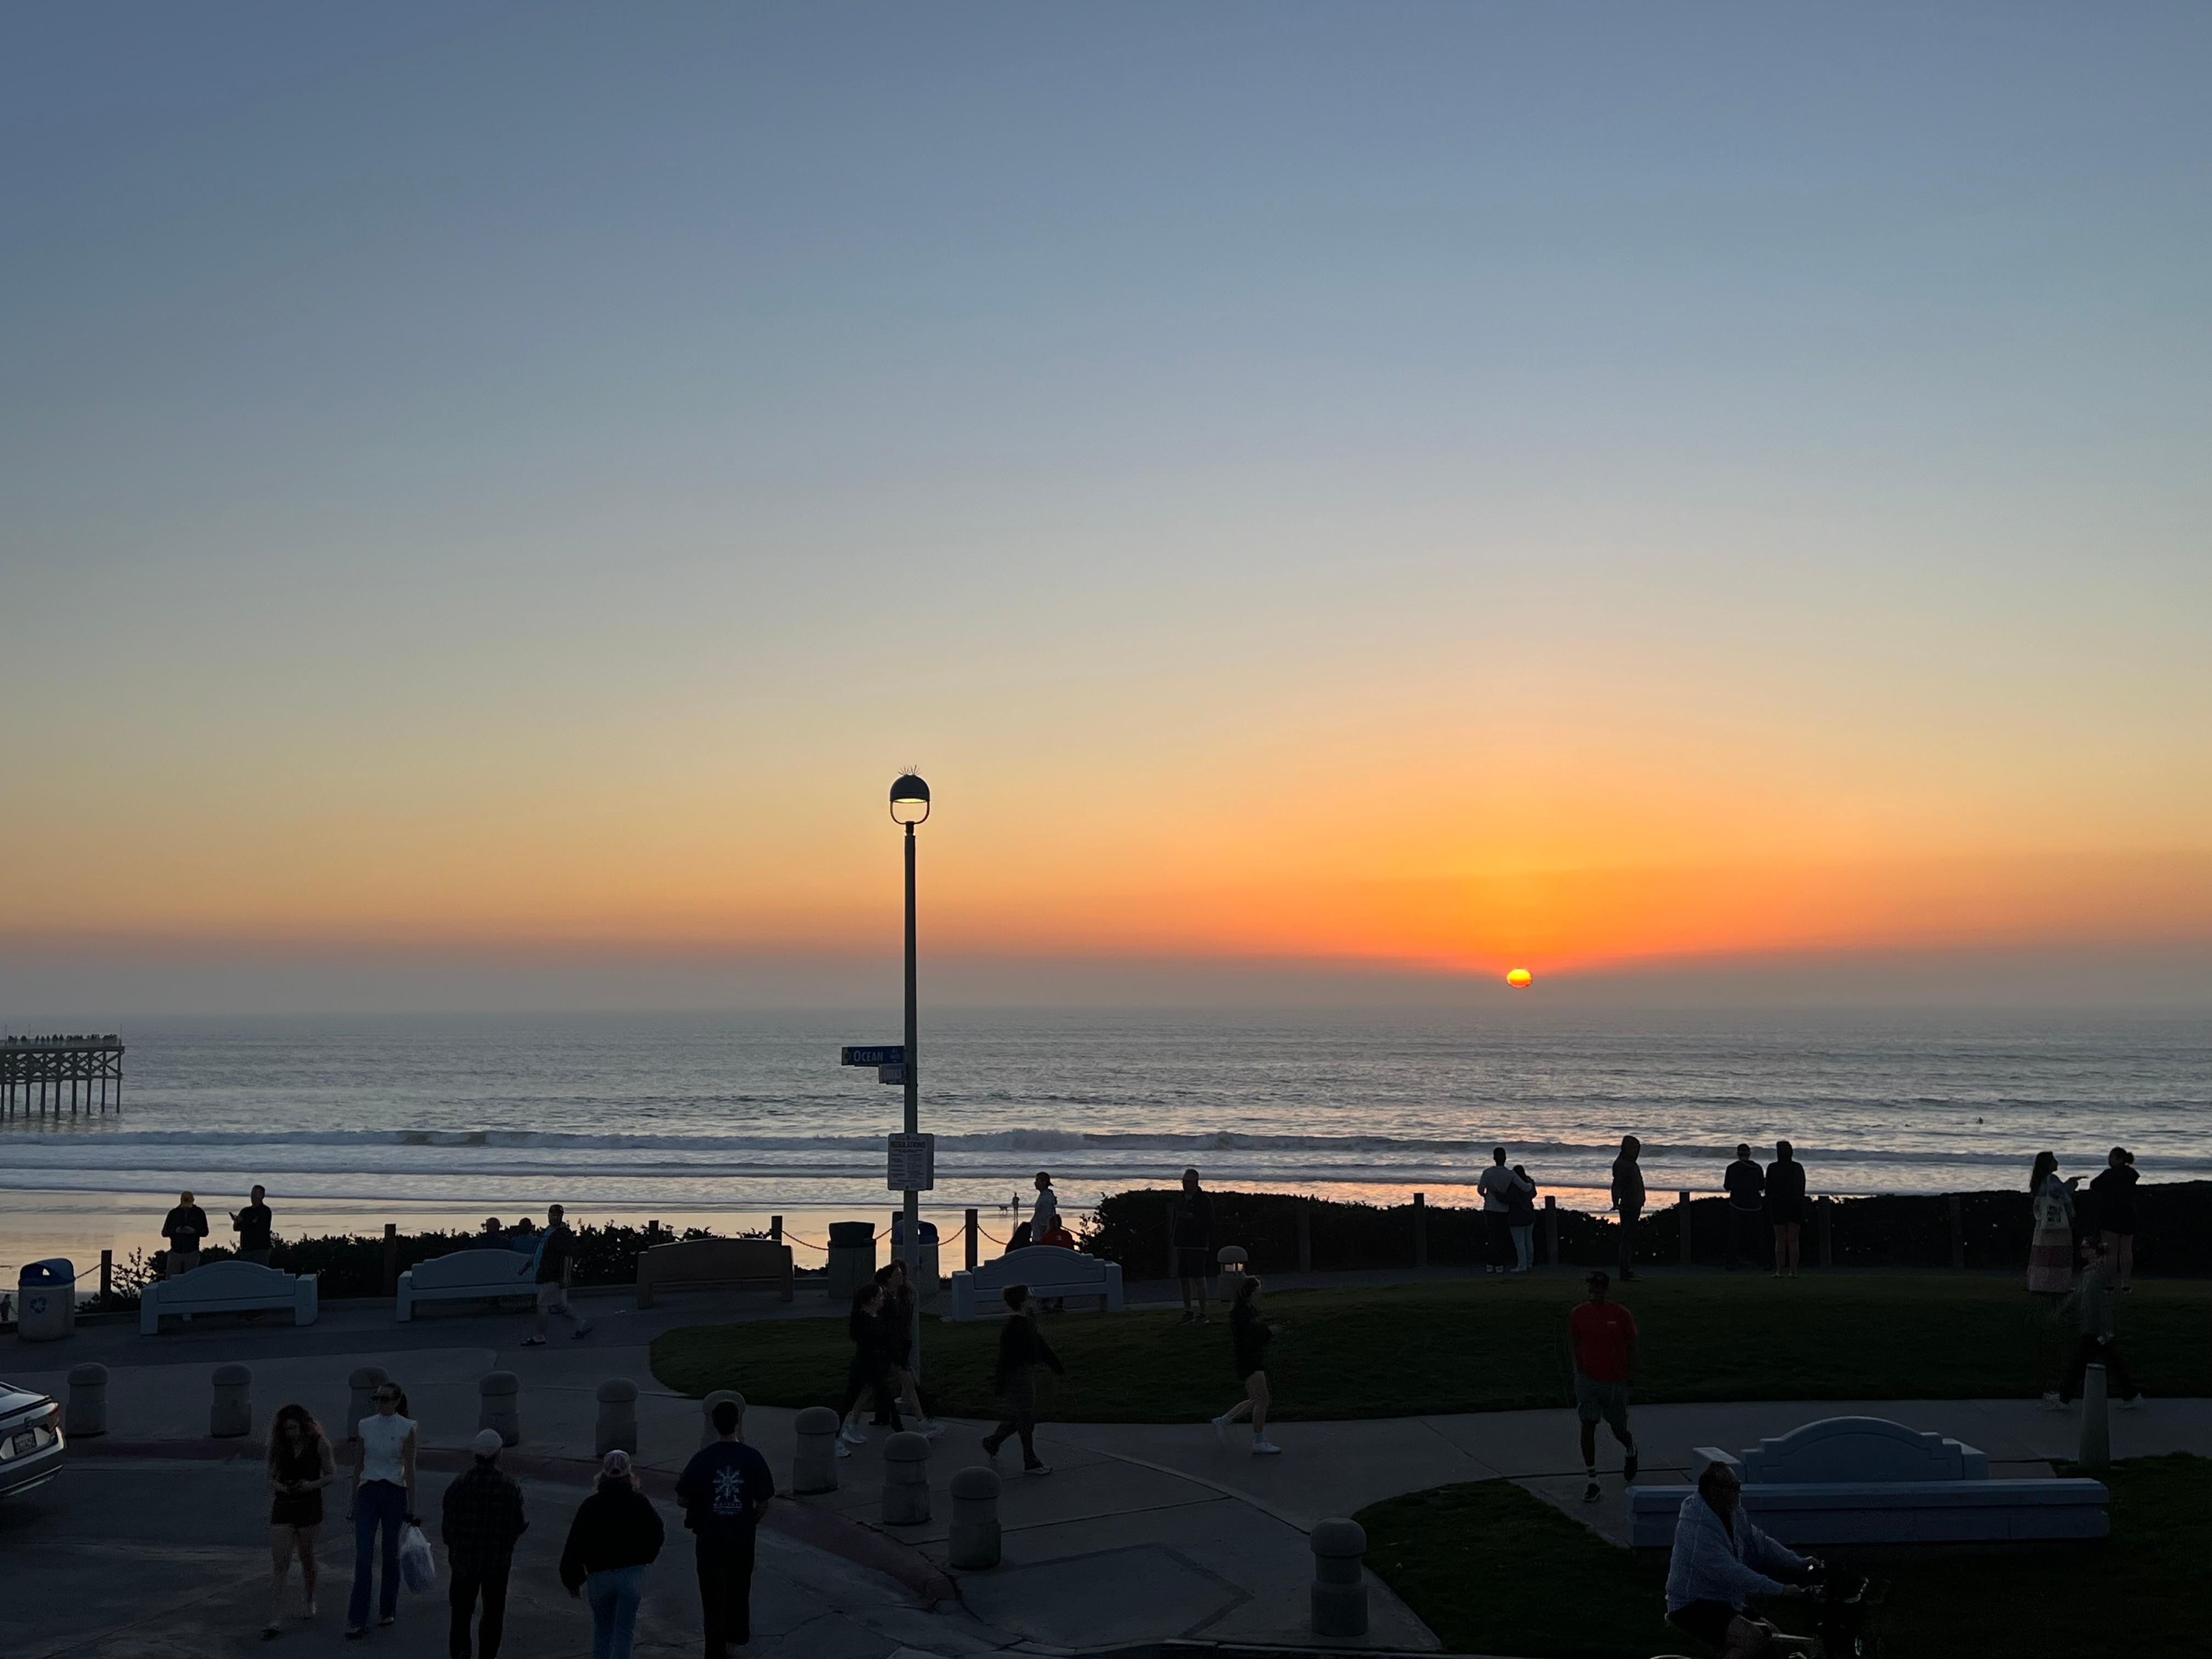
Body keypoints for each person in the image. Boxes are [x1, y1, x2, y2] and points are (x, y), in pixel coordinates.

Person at [1664, 1460, 1822, 1658]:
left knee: (1774, 1636)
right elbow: (1733, 1572)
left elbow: (1761, 1543)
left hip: (1723, 1600)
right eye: (1735, 1487)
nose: (1739, 1492)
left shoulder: (1732, 1513)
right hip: (1691, 1604)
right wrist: (1781, 1590)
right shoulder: (1697, 1530)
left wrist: (1799, 1562)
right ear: (1715, 1491)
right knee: (1750, 1639)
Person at [675, 1398, 775, 1658]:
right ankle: (736, 1637)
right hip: (742, 1536)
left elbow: (682, 1496)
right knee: (739, 1588)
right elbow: (764, 1500)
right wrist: (751, 1520)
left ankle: (715, 1650)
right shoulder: (752, 1457)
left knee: (712, 1596)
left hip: (710, 1537)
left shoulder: (702, 1459)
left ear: (714, 1423)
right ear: (737, 1422)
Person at [559, 1450, 665, 1659]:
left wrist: (573, 1579)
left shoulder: (590, 1506)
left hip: (599, 1575)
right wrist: (645, 1558)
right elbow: (657, 1534)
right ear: (629, 1474)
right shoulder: (640, 1503)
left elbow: (575, 1544)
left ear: (604, 1474)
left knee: (603, 1631)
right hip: (630, 1574)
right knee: (624, 1632)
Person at [442, 1429, 528, 1659]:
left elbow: (448, 1527)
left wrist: (455, 1548)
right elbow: (517, 1525)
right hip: (496, 1563)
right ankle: (487, 1655)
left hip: (464, 1561)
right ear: (498, 1454)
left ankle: (461, 1653)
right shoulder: (509, 1487)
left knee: (461, 1613)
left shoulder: (459, 1485)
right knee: (493, 1613)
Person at [345, 1381, 419, 1639]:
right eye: (377, 1398)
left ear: (397, 1401)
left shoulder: (406, 1427)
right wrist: (353, 1501)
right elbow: (358, 1465)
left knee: (390, 1553)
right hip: (368, 1490)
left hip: (394, 1492)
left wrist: (412, 1506)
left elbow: (410, 1468)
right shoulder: (365, 1425)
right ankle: (357, 1618)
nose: (381, 1403)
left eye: (386, 1399)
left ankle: (387, 1609)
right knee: (363, 1556)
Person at [264, 1403, 335, 1639]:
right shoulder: (280, 1446)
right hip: (284, 1505)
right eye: (286, 1429)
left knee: (306, 1556)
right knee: (280, 1563)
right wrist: (280, 1487)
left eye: (294, 1428)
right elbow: (271, 1475)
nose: (290, 1433)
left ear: (304, 1426)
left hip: (309, 1505)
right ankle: (274, 1617)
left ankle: (310, 1597)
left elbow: (330, 1474)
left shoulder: (320, 1444)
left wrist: (310, 1485)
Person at [1568, 1271, 1638, 1502]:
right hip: (1588, 1380)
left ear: (1606, 1290)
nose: (1596, 1294)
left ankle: (1630, 1447)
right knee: (1588, 1424)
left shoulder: (1620, 1315)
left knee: (1618, 1428)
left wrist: (1628, 1375)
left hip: (1614, 1382)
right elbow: (1576, 1344)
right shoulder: (1578, 1314)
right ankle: (1592, 1479)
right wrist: (1579, 1372)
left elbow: (1632, 1345)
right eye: (1592, 1289)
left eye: (1599, 1289)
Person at [2053, 1235, 2145, 1411]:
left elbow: (2103, 1304)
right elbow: (2078, 1296)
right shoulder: (2090, 1273)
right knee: (2109, 1362)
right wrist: (2062, 1311)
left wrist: (2107, 1331)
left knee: (2080, 1364)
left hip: (2096, 1331)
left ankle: (2063, 1399)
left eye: (2086, 1247)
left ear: (2095, 1251)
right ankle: (2132, 1395)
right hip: (2095, 1330)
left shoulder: (2098, 1274)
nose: (2082, 1249)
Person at [981, 1284, 1062, 1476]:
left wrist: (1056, 1366)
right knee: (1026, 1418)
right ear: (1023, 1301)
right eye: (1029, 1297)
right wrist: (1001, 1382)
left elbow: (1040, 1346)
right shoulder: (1015, 1327)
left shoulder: (1026, 1323)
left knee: (1022, 1415)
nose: (1032, 1299)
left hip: (1025, 1373)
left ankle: (993, 1442)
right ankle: (1030, 1460)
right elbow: (1007, 1358)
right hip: (1019, 1375)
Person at [1210, 1276, 1282, 1455]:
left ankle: (1224, 1420)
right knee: (1263, 1399)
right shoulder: (1242, 1313)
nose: (1261, 1290)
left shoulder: (1248, 1310)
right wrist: (1268, 1332)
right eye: (1258, 1287)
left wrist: (1265, 1332)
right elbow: (1249, 1335)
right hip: (1249, 1359)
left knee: (1255, 1399)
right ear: (1251, 1291)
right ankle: (1258, 1440)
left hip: (1250, 1358)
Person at [874, 1262, 939, 1433]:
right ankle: (920, 1418)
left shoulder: (903, 1296)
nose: (901, 1277)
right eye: (897, 1275)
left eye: (902, 1274)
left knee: (905, 1380)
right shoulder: (886, 1299)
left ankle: (919, 1418)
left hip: (899, 1344)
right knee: (898, 1381)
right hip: (890, 1345)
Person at [836, 1283, 900, 1453]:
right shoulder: (861, 1318)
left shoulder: (876, 1316)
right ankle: (835, 1438)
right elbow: (867, 1343)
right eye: (879, 1296)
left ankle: (902, 1436)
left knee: (888, 1400)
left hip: (875, 1366)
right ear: (871, 1299)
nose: (882, 1299)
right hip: (864, 1366)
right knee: (849, 1401)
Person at [523, 1203, 593, 1346]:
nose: (554, 1217)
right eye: (552, 1214)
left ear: (562, 1216)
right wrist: (529, 1263)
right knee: (560, 1305)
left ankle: (539, 1336)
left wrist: (566, 1277)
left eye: (557, 1215)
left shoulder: (563, 1234)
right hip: (544, 1273)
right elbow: (541, 1248)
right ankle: (581, 1324)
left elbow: (568, 1256)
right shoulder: (548, 1230)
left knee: (542, 1304)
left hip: (553, 1275)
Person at [2025, 1150, 2080, 1295]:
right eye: (2054, 1160)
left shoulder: (2039, 1181)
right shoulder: (2052, 1180)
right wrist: (2073, 1182)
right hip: (2057, 1225)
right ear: (2048, 1164)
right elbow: (2062, 1192)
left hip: (2043, 1225)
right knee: (2058, 1255)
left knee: (2043, 1255)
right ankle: (2057, 1285)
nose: (2057, 1162)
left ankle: (2039, 1283)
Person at [2090, 1146, 2139, 1293]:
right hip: (2128, 1214)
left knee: (2111, 1252)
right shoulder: (2132, 1174)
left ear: (2118, 1159)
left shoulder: (2109, 1174)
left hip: (2110, 1215)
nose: (2109, 1159)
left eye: (2111, 1157)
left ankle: (2110, 1283)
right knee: (2126, 1250)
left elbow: (2094, 1185)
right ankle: (2126, 1283)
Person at [1174, 1168, 1215, 1323]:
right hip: (1182, 1243)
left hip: (1198, 1244)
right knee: (1184, 1278)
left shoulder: (1204, 1200)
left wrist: (1193, 1218)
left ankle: (1203, 1312)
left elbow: (1210, 1224)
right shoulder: (1181, 1199)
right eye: (1184, 1181)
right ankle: (1188, 1310)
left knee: (1199, 1278)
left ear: (1196, 1183)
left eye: (1189, 1182)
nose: (1185, 1184)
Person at [1765, 1142, 1807, 1278]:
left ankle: (1779, 1271)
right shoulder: (1797, 1167)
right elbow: (1802, 1187)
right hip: (1795, 1204)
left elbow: (1768, 1189)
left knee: (1780, 1239)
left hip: (1778, 1204)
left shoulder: (1773, 1168)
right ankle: (1793, 1271)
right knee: (1793, 1240)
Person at [1476, 1147, 1517, 1274]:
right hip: (1504, 1210)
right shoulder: (1510, 1174)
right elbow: (1525, 1187)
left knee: (1492, 1237)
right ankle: (1499, 1265)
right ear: (1505, 1158)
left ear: (1494, 1158)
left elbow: (1480, 1190)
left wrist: (1486, 1196)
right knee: (1502, 1237)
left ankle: (1491, 1264)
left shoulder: (1488, 1173)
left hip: (1490, 1209)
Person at [1722, 1146, 1764, 1271]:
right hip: (1755, 1206)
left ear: (1738, 1154)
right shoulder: (1757, 1168)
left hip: (1737, 1205)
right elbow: (1762, 1186)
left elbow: (1727, 1187)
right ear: (1749, 1154)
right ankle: (1764, 1262)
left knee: (1734, 1235)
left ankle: (1731, 1263)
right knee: (1759, 1235)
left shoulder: (1731, 1168)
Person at [1610, 1137, 1645, 1281]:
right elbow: (1616, 1184)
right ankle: (1625, 1271)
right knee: (1627, 1239)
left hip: (1634, 1203)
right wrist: (1616, 1202)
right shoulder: (1622, 1164)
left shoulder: (1630, 1163)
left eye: (1637, 1148)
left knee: (1629, 1238)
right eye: (1633, 1148)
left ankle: (1627, 1270)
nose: (1636, 1151)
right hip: (1629, 1205)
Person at [162, 1189, 210, 1276]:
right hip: (175, 1252)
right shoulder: (173, 1213)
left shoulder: (199, 1213)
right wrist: (176, 1231)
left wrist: (193, 1231)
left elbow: (205, 1232)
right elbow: (165, 1232)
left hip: (192, 1252)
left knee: (192, 1279)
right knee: (171, 1280)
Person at [1506, 1163, 1538, 1273]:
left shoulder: (1514, 1186)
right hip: (1530, 1214)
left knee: (1519, 1242)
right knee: (1528, 1240)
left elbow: (1509, 1199)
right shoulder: (1529, 1184)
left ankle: (1522, 1265)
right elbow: (1534, 1194)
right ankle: (1529, 1263)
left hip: (1517, 1216)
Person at [233, 1185, 276, 1267]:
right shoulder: (245, 1211)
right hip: (246, 1250)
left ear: (262, 1196)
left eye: (256, 1194)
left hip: (261, 1250)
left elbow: (261, 1228)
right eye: (252, 1193)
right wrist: (238, 1222)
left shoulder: (265, 1211)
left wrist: (244, 1222)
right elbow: (236, 1228)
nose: (253, 1196)